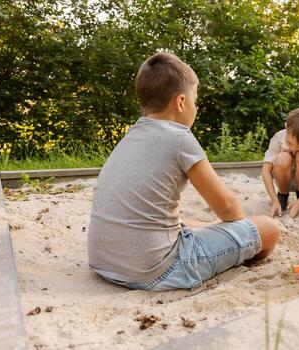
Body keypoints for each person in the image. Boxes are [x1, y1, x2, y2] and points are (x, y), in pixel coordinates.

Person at [88, 52, 280, 291]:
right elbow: (228, 208)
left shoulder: (132, 135)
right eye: (195, 101)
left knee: (185, 221)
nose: (195, 107)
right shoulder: (179, 137)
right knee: (268, 229)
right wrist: (241, 232)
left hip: (104, 262)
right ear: (180, 102)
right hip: (156, 270)